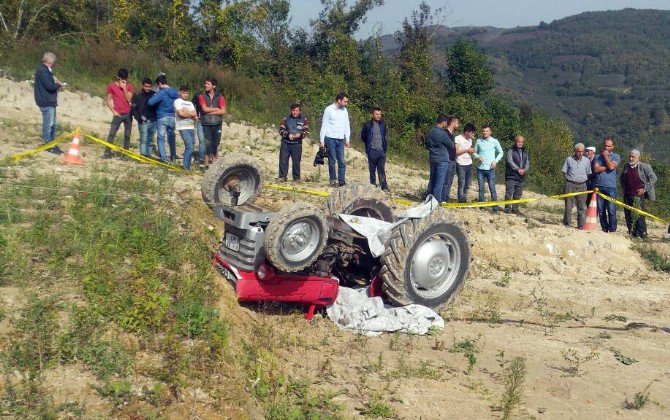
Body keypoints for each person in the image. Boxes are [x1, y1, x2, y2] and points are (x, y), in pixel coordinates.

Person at [620, 149, 657, 239]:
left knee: (639, 215)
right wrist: (623, 188)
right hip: (627, 194)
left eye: (633, 157)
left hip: (638, 195)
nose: (631, 158)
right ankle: (632, 233)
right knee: (628, 214)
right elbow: (622, 178)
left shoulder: (644, 166)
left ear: (638, 157)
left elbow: (654, 178)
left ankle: (642, 234)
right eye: (630, 156)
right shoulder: (626, 166)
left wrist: (644, 189)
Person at [34, 52, 64, 155]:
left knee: (53, 124)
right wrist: (58, 85)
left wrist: (54, 81)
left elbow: (49, 83)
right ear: (50, 61)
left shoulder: (45, 70)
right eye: (53, 62)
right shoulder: (43, 71)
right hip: (45, 101)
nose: (53, 64)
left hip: (49, 101)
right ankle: (48, 144)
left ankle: (52, 143)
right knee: (48, 124)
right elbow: (49, 86)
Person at [320, 92, 351, 187]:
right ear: (339, 100)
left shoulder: (344, 110)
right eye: (345, 101)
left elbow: (347, 124)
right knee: (332, 160)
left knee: (341, 161)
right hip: (330, 138)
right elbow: (324, 125)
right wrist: (322, 140)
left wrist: (347, 139)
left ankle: (342, 181)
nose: (346, 103)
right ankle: (333, 180)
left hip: (340, 139)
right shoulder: (329, 109)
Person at [103, 68, 134, 158]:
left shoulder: (129, 86)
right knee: (112, 133)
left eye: (125, 78)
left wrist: (124, 88)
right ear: (118, 77)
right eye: (122, 78)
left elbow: (129, 99)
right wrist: (113, 111)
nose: (124, 80)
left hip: (128, 114)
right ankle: (107, 153)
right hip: (118, 114)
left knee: (127, 135)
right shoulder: (111, 86)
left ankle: (125, 154)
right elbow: (108, 100)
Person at [147, 75, 179, 163]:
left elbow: (150, 102)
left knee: (161, 138)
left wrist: (156, 95)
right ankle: (173, 156)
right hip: (172, 117)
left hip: (162, 117)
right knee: (171, 137)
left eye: (158, 85)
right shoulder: (175, 92)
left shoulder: (162, 92)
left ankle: (164, 158)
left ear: (160, 84)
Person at [473, 125, 504, 212]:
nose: (485, 132)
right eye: (483, 131)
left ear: (490, 132)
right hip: (480, 168)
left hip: (490, 168)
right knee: (481, 188)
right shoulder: (479, 141)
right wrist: (477, 157)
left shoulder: (494, 141)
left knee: (492, 188)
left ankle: (495, 208)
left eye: (486, 131)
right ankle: (481, 207)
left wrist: (495, 161)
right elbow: (474, 152)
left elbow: (501, 152)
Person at [592, 137, 621, 232]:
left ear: (613, 147)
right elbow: (596, 169)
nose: (606, 148)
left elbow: (612, 166)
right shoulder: (597, 156)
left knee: (611, 210)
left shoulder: (616, 156)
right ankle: (604, 228)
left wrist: (606, 157)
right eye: (605, 146)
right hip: (599, 186)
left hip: (611, 187)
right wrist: (609, 166)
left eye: (609, 146)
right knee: (601, 210)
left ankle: (612, 229)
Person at [561, 143, 592, 228]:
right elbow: (564, 171)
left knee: (581, 206)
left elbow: (588, 173)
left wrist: (581, 179)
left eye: (582, 151)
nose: (581, 153)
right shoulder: (569, 159)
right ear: (575, 151)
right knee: (568, 205)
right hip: (570, 184)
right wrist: (569, 179)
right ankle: (567, 223)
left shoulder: (587, 161)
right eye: (579, 151)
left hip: (582, 185)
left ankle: (581, 225)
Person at [425, 114, 454, 204]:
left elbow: (427, 144)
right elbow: (451, 145)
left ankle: (428, 199)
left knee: (432, 179)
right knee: (439, 182)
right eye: (446, 122)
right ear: (443, 122)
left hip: (433, 157)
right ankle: (436, 201)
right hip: (442, 159)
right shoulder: (442, 133)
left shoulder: (431, 131)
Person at [198, 78, 226, 166]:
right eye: (205, 83)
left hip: (217, 124)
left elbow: (223, 111)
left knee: (215, 145)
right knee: (208, 145)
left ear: (214, 86)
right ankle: (206, 165)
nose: (206, 85)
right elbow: (204, 109)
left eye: (208, 84)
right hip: (206, 124)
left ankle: (214, 165)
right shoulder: (201, 96)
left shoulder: (220, 97)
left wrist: (210, 112)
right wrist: (216, 109)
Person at [277, 103, 309, 182]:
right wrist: (288, 134)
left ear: (299, 111)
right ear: (291, 111)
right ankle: (282, 177)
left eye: (296, 110)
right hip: (286, 143)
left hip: (297, 144)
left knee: (296, 162)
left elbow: (306, 131)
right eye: (293, 110)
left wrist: (300, 135)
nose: (295, 112)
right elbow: (281, 130)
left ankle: (296, 178)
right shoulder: (286, 119)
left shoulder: (304, 120)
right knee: (283, 160)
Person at [360, 107, 389, 191]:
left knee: (381, 170)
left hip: (381, 151)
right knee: (372, 171)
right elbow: (363, 137)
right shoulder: (367, 125)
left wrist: (384, 149)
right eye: (376, 114)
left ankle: (384, 187)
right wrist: (369, 146)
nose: (378, 116)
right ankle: (372, 186)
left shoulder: (383, 124)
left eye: (380, 114)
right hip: (372, 150)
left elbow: (384, 135)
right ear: (372, 115)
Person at [130, 78, 156, 158]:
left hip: (153, 120)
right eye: (146, 86)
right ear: (142, 86)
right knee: (143, 140)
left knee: (150, 140)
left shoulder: (154, 94)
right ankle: (143, 156)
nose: (148, 88)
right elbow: (133, 109)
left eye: (149, 86)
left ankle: (148, 156)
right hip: (143, 122)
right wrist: (139, 119)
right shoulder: (137, 95)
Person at [173, 86, 198, 170]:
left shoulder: (190, 103)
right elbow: (181, 114)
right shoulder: (177, 101)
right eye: (183, 92)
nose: (185, 94)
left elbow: (195, 113)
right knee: (189, 147)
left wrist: (187, 113)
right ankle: (185, 167)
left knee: (192, 146)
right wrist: (190, 114)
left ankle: (188, 165)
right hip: (182, 127)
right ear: (180, 92)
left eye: (187, 93)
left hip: (191, 126)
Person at [504, 135, 530, 215]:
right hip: (511, 176)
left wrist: (524, 170)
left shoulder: (525, 151)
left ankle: (515, 209)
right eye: (518, 141)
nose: (520, 143)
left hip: (521, 177)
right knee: (509, 193)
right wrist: (518, 169)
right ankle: (507, 209)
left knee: (518, 194)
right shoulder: (511, 150)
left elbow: (527, 163)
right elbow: (510, 161)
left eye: (522, 142)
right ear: (515, 142)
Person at [454, 123, 476, 203]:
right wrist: (467, 150)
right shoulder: (458, 138)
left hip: (469, 164)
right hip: (460, 164)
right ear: (467, 132)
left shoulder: (470, 140)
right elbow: (456, 152)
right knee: (462, 184)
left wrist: (472, 151)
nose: (473, 134)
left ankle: (464, 199)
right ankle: (461, 201)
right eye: (471, 132)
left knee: (468, 184)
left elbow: (469, 151)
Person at [441, 116, 459, 202]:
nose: (458, 125)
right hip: (447, 160)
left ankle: (446, 198)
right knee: (446, 181)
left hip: (453, 160)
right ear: (453, 123)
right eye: (457, 123)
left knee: (450, 181)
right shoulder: (445, 133)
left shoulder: (452, 134)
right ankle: (442, 199)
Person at [191, 88, 206, 165]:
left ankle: (208, 156)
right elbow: (192, 105)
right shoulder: (198, 95)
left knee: (208, 140)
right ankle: (201, 158)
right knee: (201, 140)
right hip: (200, 120)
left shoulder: (213, 96)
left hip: (209, 121)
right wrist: (195, 115)